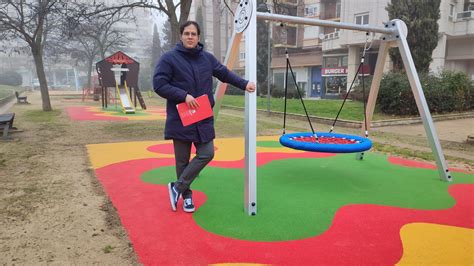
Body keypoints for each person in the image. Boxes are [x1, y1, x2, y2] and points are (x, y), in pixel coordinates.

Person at [153, 21, 256, 213]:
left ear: (198, 38)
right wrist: (183, 95)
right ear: (181, 36)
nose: (190, 37)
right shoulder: (169, 59)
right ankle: (187, 197)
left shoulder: (206, 59)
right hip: (180, 118)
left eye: (193, 34)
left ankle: (177, 187)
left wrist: (244, 83)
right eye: (186, 34)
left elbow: (224, 74)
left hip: (203, 117)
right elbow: (159, 84)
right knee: (182, 161)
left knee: (207, 153)